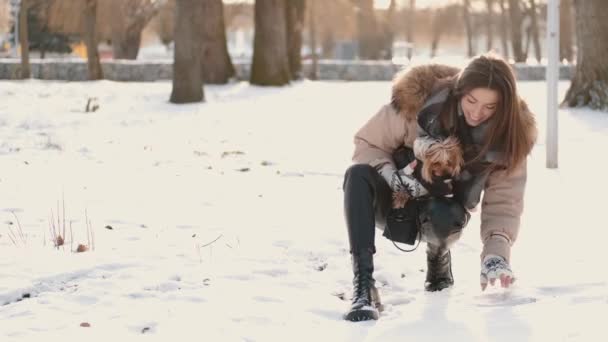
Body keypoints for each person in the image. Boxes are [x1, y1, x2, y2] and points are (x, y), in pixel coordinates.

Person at [342, 54, 537, 322]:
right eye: (471, 101)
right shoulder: (418, 103)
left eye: (490, 107)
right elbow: (367, 144)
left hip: (444, 212)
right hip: (397, 196)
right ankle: (363, 285)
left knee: (444, 217)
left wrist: (496, 255)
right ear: (459, 92)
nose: (478, 113)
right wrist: (390, 175)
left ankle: (438, 254)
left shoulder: (510, 138)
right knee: (357, 175)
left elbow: (505, 202)